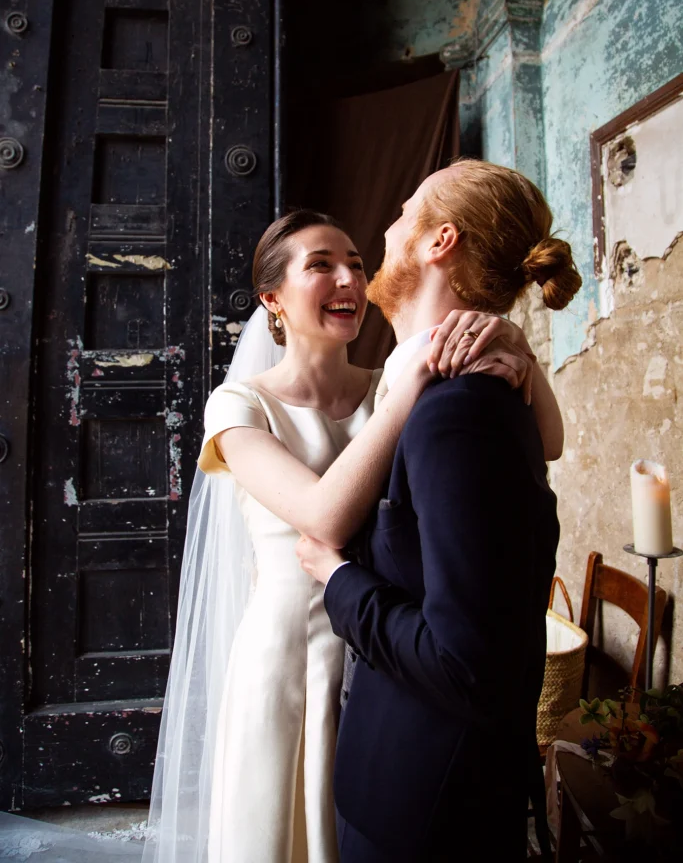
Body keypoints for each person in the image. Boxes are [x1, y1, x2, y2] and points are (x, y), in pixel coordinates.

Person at [144, 203, 563, 863]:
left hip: (386, 653)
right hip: (290, 656)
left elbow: (549, 442)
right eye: (321, 265)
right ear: (272, 299)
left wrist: (514, 350)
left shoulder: (387, 380)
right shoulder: (240, 406)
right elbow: (320, 517)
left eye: (357, 264)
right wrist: (413, 380)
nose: (348, 279)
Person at [296, 159, 582, 861]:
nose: (388, 228)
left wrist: (335, 577)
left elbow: (467, 667)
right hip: (398, 784)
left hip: (424, 810)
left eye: (403, 213)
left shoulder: (461, 412)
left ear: (438, 241)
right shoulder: (424, 384)